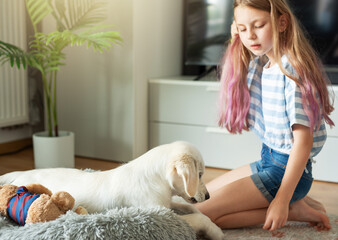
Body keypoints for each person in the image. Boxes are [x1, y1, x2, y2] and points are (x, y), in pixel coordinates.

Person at [195, 0, 335, 232]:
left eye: (258, 25)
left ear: (282, 23)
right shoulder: (263, 64)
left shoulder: (293, 74)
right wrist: (238, 32)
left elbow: (303, 142)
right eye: (242, 29)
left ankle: (291, 206)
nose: (250, 36)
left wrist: (281, 200)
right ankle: (297, 205)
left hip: (285, 171)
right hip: (268, 161)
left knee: (203, 215)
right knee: (202, 197)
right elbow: (239, 63)